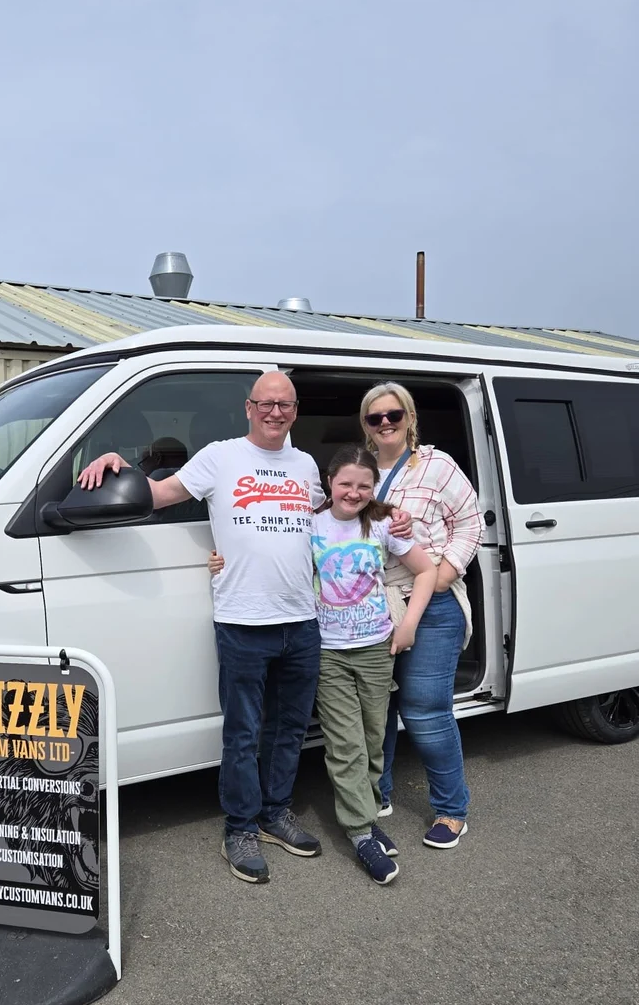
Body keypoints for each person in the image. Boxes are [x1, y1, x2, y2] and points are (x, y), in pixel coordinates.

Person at [78, 374, 411, 884]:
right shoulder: (221, 456)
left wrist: (394, 516)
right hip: (243, 620)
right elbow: (161, 493)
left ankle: (276, 813)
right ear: (249, 408)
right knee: (242, 733)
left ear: (295, 411)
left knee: (289, 731)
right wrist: (115, 466)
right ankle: (240, 827)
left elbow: (342, 510)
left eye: (285, 404)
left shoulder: (306, 466)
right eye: (266, 403)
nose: (276, 412)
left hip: (302, 621)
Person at [211, 445, 437, 884]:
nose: (353, 492)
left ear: (374, 489)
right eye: (345, 483)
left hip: (376, 648)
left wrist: (408, 625)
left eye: (364, 486)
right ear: (328, 483)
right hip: (327, 650)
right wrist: (219, 560)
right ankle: (361, 833)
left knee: (373, 740)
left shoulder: (382, 524)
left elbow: (426, 570)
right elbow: (263, 545)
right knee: (346, 744)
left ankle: (367, 813)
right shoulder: (308, 523)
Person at [359, 382, 485, 849]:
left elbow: (470, 523)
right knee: (378, 708)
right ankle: (378, 794)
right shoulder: (360, 469)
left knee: (425, 710)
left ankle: (452, 810)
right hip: (373, 603)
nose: (385, 423)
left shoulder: (437, 465)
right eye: (375, 417)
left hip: (429, 600)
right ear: (365, 425)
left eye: (394, 415)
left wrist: (444, 574)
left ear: (410, 418)